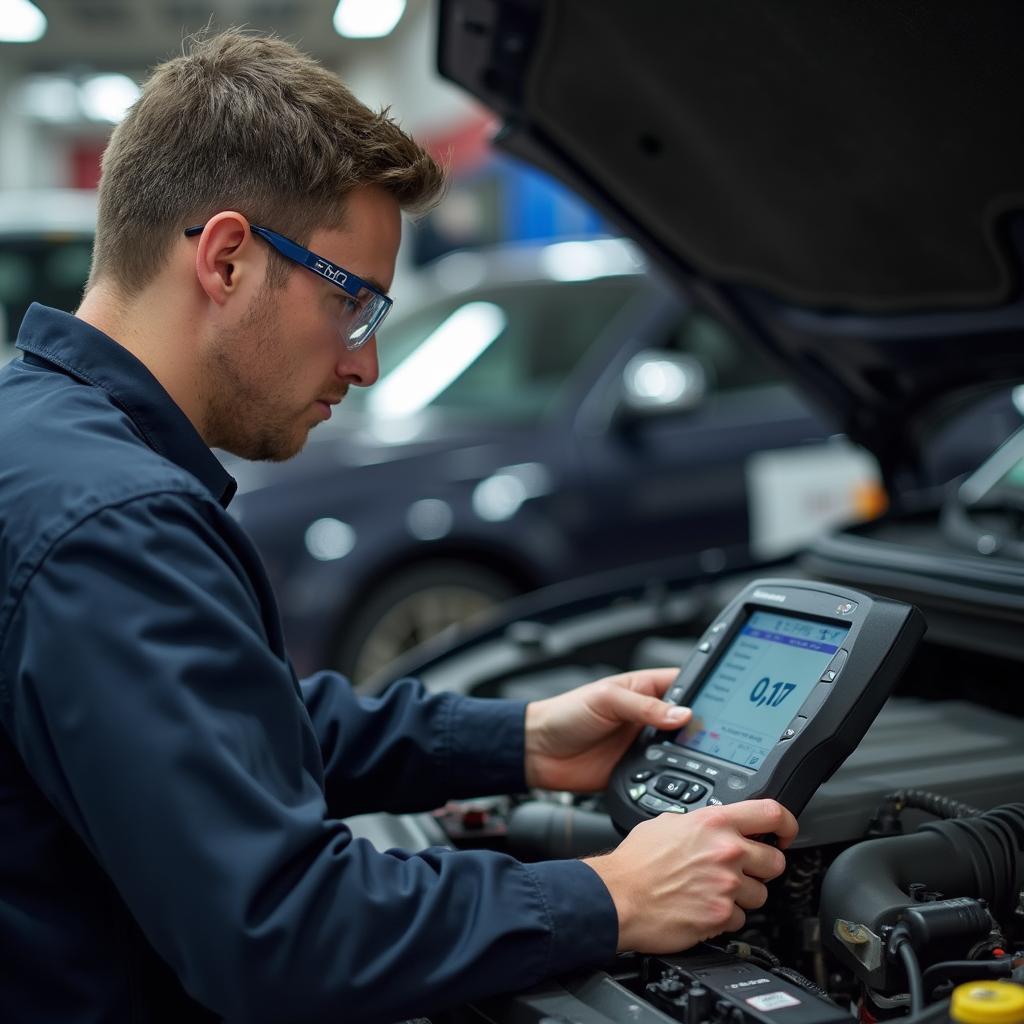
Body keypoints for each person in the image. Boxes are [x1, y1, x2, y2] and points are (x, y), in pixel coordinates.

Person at [0, 30, 797, 1024]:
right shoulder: (114, 523)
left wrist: (520, 740)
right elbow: (279, 929)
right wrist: (612, 894)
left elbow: (229, 730)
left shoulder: (35, 434)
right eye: (355, 307)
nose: (365, 365)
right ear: (229, 257)